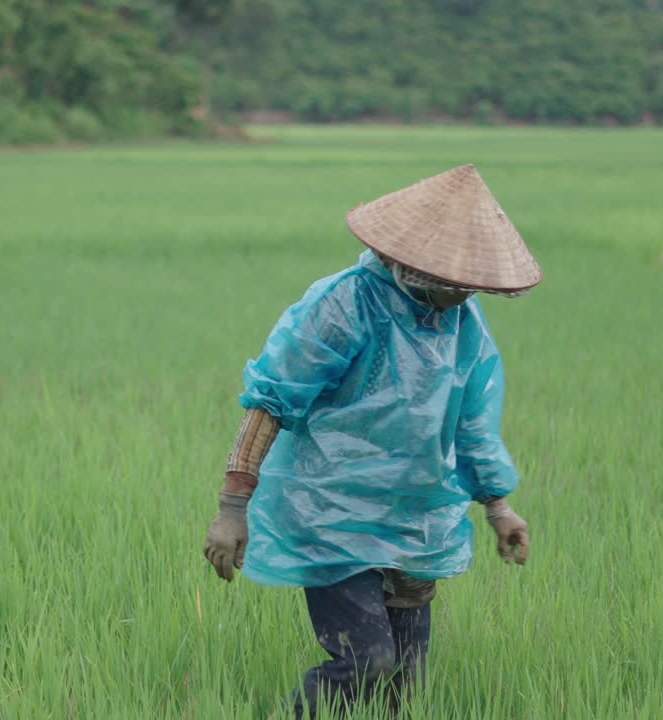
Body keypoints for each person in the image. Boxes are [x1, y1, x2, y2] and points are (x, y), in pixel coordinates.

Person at [202, 165, 541, 717]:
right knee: (368, 661)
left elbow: (471, 420)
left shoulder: (461, 321)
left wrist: (498, 507)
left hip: (415, 514)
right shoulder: (344, 303)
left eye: (469, 283)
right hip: (330, 512)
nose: (462, 294)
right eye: (451, 280)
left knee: (405, 687)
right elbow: (272, 399)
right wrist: (231, 507)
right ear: (409, 260)